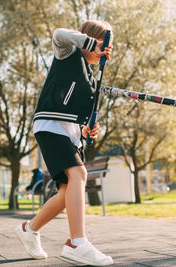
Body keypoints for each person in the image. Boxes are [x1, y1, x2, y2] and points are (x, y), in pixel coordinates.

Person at [15, 20, 113, 266]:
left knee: (66, 191)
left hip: (68, 133)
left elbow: (79, 118)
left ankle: (30, 228)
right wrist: (90, 44)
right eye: (104, 44)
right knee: (79, 173)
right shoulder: (68, 53)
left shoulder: (90, 80)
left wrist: (87, 130)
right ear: (90, 40)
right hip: (49, 125)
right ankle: (76, 242)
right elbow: (59, 34)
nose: (107, 50)